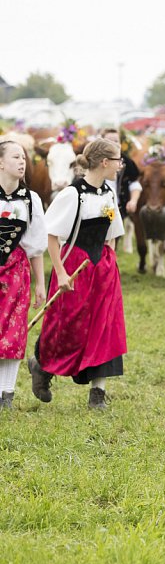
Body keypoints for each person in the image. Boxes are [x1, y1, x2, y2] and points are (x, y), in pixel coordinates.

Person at [28, 139, 127, 411]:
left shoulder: (109, 193)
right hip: (74, 267)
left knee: (104, 327)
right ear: (104, 162)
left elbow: (112, 234)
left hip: (103, 268)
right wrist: (60, 273)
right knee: (68, 325)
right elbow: (51, 235)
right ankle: (41, 366)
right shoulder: (73, 194)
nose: (121, 165)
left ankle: (98, 394)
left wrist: (110, 263)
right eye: (118, 160)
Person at [0, 141, 47, 409]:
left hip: (16, 271)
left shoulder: (31, 199)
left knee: (13, 332)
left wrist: (41, 283)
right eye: (16, 156)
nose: (22, 162)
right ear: (1, 162)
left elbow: (36, 245)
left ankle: (6, 393)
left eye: (24, 158)